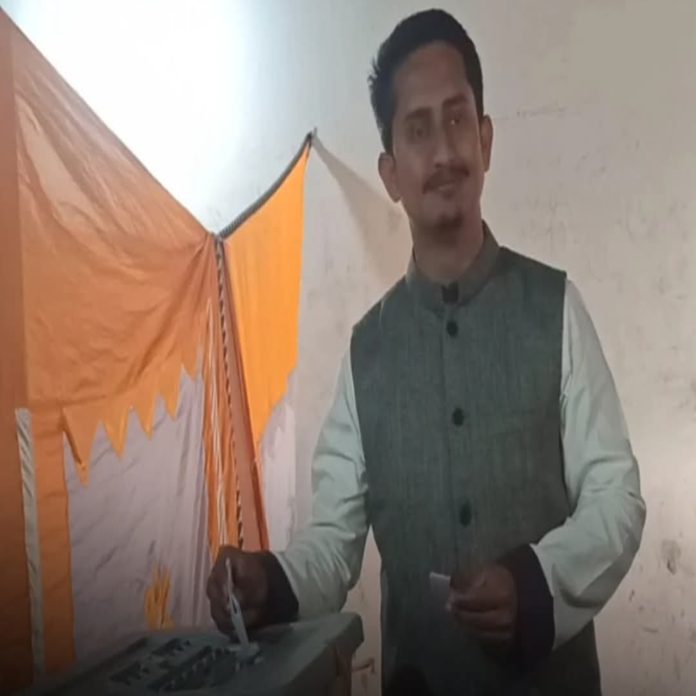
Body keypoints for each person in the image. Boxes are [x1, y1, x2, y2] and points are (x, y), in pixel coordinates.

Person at [207, 9, 646, 695]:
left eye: (457, 118)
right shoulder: (367, 353)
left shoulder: (556, 309)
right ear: (390, 172)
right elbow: (333, 543)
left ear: (485, 139)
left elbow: (615, 498)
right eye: (417, 129)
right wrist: (273, 580)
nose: (443, 151)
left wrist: (538, 583)